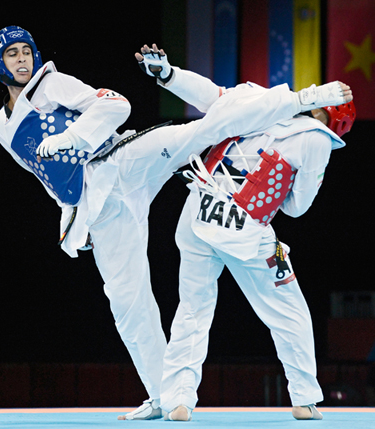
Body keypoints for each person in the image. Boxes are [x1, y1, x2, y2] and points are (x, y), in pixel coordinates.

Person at [0, 26, 352, 421]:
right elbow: (46, 175)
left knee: (204, 129)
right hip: (103, 205)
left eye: (26, 51)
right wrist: (74, 214)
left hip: (124, 159)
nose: (22, 59)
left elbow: (116, 106)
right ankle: (163, 395)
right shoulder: (2, 129)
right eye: (12, 54)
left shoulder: (52, 84)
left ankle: (307, 94)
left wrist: (73, 137)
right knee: (127, 301)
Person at [151, 74, 356, 420]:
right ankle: (304, 398)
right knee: (289, 310)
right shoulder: (317, 139)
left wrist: (169, 74)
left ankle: (178, 399)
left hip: (197, 214)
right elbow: (297, 207)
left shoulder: (256, 100)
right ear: (335, 123)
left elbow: (210, 95)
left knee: (192, 310)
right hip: (244, 231)